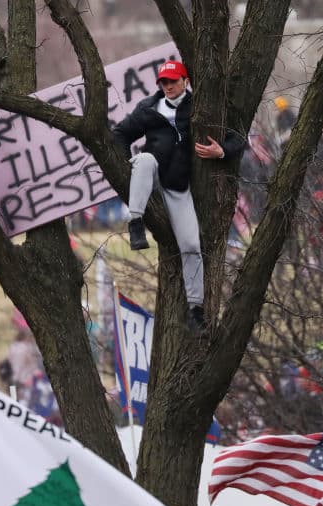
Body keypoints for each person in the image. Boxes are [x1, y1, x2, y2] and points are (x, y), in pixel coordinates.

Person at [111, 59, 245, 333]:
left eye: (173, 80)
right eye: (164, 82)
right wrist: (127, 168)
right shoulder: (148, 108)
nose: (168, 86)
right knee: (144, 160)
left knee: (191, 246)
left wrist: (221, 152)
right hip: (152, 172)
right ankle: (135, 222)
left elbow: (237, 137)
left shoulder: (200, 107)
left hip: (178, 184)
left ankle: (195, 309)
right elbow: (120, 134)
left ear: (185, 81)